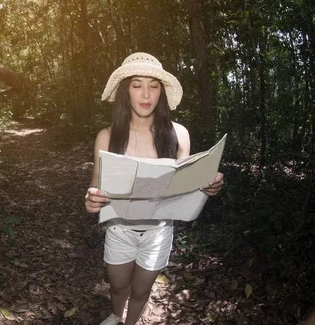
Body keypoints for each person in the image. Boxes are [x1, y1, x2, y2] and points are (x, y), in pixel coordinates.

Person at [84, 52, 224, 325]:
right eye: (137, 85)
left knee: (141, 290)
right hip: (119, 230)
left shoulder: (178, 134)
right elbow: (94, 185)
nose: (146, 94)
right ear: (126, 91)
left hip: (159, 233)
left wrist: (208, 186)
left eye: (154, 85)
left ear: (162, 92)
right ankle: (115, 314)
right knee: (117, 287)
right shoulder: (107, 136)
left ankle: (129, 322)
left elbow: (188, 185)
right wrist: (90, 199)